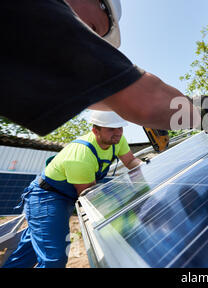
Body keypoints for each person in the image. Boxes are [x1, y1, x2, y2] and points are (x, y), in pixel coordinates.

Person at [0, 0, 208, 137]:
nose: (89, 40)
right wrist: (198, 113)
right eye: (91, 28)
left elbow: (91, 93)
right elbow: (147, 103)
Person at [3, 110, 144, 268]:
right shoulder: (81, 155)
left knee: (30, 250)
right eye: (111, 129)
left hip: (65, 197)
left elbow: (131, 161)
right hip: (46, 198)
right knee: (54, 258)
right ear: (95, 130)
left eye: (120, 127)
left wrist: (146, 165)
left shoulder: (117, 140)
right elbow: (89, 194)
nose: (118, 133)